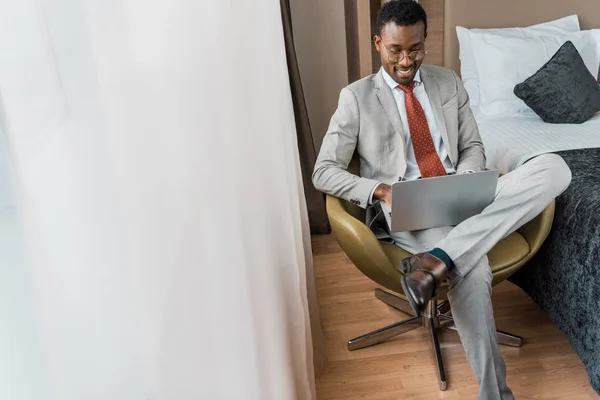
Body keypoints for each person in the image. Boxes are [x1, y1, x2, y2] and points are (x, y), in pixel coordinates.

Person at [312, 1, 572, 399]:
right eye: (395, 50)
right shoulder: (356, 97)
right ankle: (496, 394)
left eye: (414, 49)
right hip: (411, 207)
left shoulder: (448, 82)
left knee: (555, 168)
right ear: (378, 42)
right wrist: (382, 191)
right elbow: (323, 171)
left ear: (424, 41)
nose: (405, 60)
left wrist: (467, 179)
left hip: (462, 194)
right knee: (475, 268)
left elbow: (472, 145)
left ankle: (434, 262)